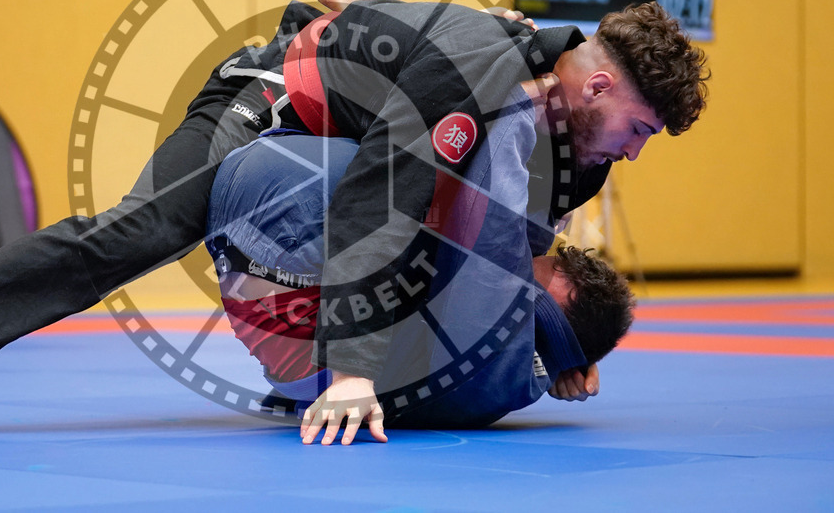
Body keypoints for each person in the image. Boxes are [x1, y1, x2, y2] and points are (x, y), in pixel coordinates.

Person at [0, 0, 707, 444]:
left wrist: (564, 341)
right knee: (141, 230)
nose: (635, 150)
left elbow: (521, 233)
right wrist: (358, 369)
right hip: (271, 101)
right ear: (594, 87)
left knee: (442, 85)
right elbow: (379, 201)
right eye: (636, 126)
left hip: (382, 82)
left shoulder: (576, 124)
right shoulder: (480, 78)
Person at [205, 91, 634, 445]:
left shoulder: (494, 321)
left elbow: (498, 208)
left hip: (273, 225)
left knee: (423, 189)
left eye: (547, 264)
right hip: (275, 308)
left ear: (561, 286)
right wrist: (568, 356)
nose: (528, 258)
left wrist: (522, 95)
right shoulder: (516, 382)